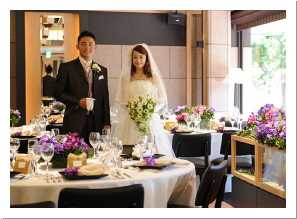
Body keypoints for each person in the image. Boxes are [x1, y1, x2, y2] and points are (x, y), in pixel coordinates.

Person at [112, 43, 175, 157]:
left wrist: (148, 112)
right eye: (135, 57)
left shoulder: (153, 77)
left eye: (141, 57)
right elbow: (121, 100)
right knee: (129, 154)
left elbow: (162, 100)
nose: (138, 60)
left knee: (153, 152)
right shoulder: (126, 78)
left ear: (146, 58)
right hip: (131, 120)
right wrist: (134, 110)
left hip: (150, 119)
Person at [53, 30, 110, 146]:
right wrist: (78, 102)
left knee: (95, 154)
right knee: (74, 155)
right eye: (83, 44)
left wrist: (106, 123)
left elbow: (105, 98)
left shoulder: (102, 70)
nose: (87, 47)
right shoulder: (67, 67)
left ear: (95, 47)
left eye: (90, 44)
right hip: (74, 119)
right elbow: (57, 92)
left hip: (96, 122)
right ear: (77, 46)